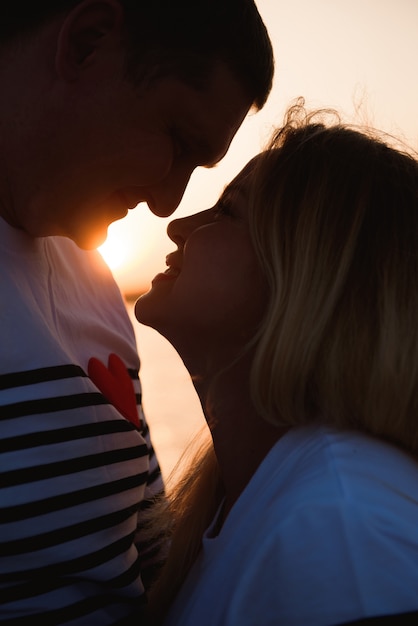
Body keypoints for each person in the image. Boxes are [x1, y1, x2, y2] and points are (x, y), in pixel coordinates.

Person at [0, 1, 274, 623]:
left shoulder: (91, 277)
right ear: (88, 41)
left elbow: (145, 555)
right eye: (178, 140)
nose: (167, 203)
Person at [135, 101, 418, 625]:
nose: (178, 225)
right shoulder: (249, 496)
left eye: (227, 212)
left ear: (312, 274)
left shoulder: (342, 532)